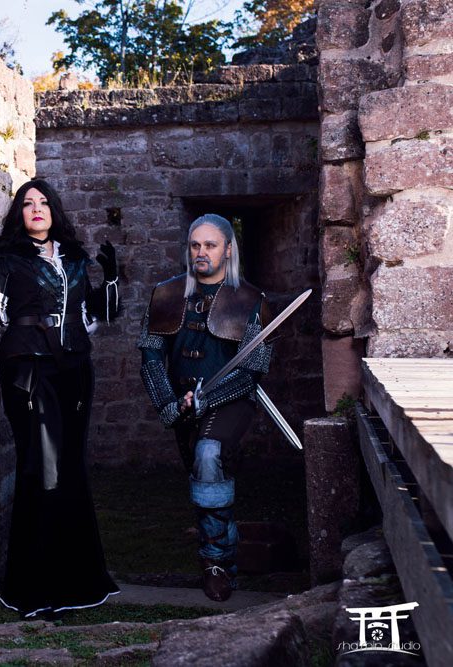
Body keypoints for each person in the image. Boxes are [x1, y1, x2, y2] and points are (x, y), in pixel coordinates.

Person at [0, 179, 121, 618]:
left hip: (74, 371)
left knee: (70, 468)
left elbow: (91, 317)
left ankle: (78, 583)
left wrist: (111, 279)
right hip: (28, 369)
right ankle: (35, 588)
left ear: (54, 210)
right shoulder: (3, 259)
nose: (37, 209)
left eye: (44, 202)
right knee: (41, 467)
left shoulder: (74, 259)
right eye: (28, 203)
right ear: (19, 213)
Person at [137, 214, 272, 601]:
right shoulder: (166, 295)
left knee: (208, 454)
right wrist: (169, 404)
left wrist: (208, 398)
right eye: (195, 245)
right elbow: (150, 357)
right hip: (182, 405)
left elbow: (252, 371)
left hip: (232, 400)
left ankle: (215, 564)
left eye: (210, 245)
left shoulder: (251, 301)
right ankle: (227, 550)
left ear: (228, 250)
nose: (201, 252)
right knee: (203, 477)